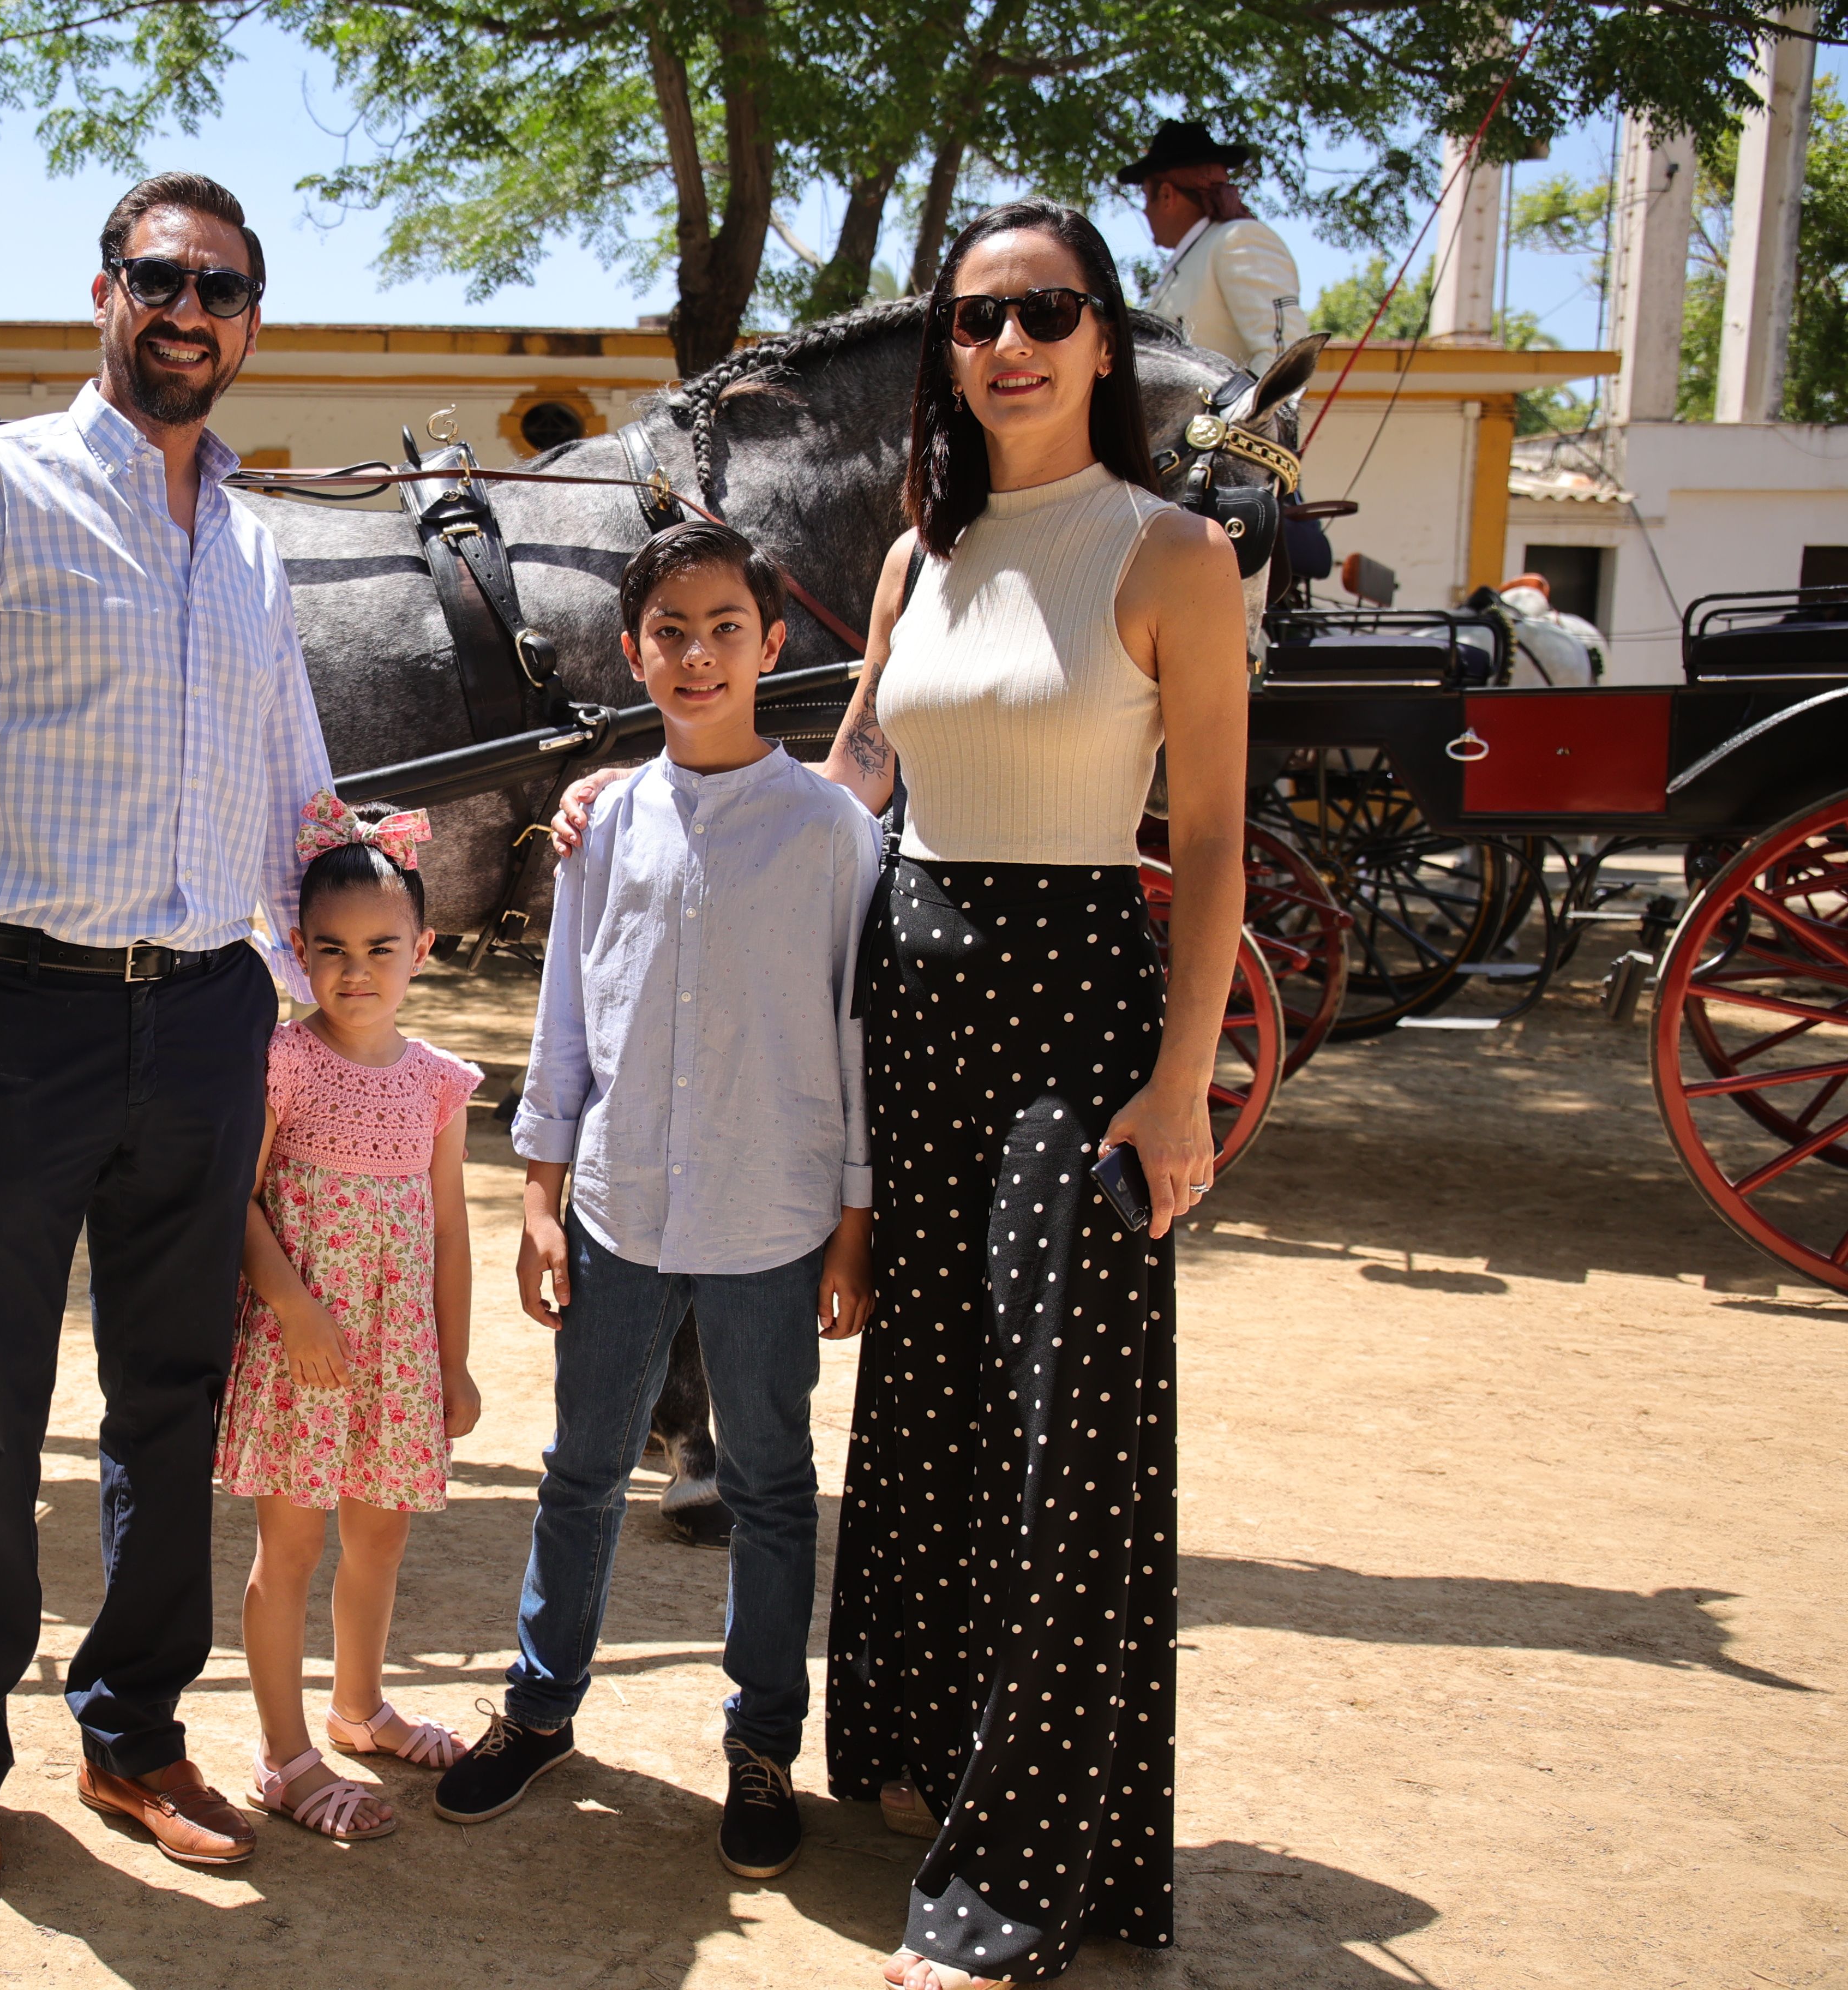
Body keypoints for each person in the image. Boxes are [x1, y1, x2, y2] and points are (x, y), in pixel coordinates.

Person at [0, 170, 334, 1905]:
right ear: (104, 291)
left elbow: (299, 795)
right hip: (9, 1019)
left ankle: (132, 1731)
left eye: (223, 288)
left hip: (203, 1018)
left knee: (171, 1402)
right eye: (161, 277)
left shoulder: (251, 542)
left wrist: (357, 921)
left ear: (252, 324)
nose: (190, 310)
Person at [813, 199, 1247, 1989]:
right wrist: (671, 796)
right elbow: (855, 773)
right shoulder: (918, 555)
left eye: (1047, 312)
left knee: (1063, 1437)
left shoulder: (1173, 554)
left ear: (1102, 340)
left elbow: (1209, 843)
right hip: (912, 1006)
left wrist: (1182, 1082)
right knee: (925, 1398)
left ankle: (1020, 1871)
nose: (1009, 345)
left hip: (1076, 1014)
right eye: (977, 317)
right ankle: (923, 1745)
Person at [436, 520, 880, 1886]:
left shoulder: (831, 833)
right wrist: (538, 1190)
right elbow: (567, 1014)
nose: (697, 656)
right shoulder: (603, 824)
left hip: (771, 1216)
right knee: (580, 1470)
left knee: (770, 1486)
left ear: (772, 643)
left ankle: (761, 1747)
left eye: (723, 629)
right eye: (669, 634)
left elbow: (857, 1036)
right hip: (619, 1210)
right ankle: (538, 1707)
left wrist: (854, 1224)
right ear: (632, 654)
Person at [215, 798, 484, 1842]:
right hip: (303, 1350)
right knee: (287, 1549)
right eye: (330, 949)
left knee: (379, 1535)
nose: (356, 970)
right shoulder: (281, 1060)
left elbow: (449, 1234)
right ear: (298, 949)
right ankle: (284, 1756)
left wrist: (452, 1365)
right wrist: (296, 1310)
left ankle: (360, 1706)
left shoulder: (437, 1084)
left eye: (381, 948)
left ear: (423, 948)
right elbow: (236, 1199)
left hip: (398, 1356)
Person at [1119, 119, 1303, 376]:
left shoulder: (1238, 239)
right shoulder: (1192, 259)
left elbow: (1283, 353)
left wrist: (1234, 405)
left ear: (1167, 195)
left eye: (1146, 197)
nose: (1146, 211)